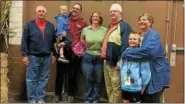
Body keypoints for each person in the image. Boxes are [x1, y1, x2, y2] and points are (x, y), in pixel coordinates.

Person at [121, 13, 170, 103]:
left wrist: (127, 53)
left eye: (144, 19)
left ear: (150, 22)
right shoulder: (140, 36)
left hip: (155, 73)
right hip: (138, 80)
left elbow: (148, 52)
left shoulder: (153, 35)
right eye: (140, 20)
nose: (141, 21)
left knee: (150, 100)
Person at [21, 5, 56, 103]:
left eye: (43, 11)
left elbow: (53, 42)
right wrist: (24, 55)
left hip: (46, 57)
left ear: (46, 13)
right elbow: (24, 41)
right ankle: (32, 99)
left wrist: (53, 55)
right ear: (36, 13)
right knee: (31, 79)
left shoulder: (50, 26)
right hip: (33, 57)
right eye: (39, 11)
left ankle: (39, 98)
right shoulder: (29, 25)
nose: (41, 13)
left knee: (43, 79)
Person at [54, 3, 86, 103]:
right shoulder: (64, 19)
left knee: (72, 74)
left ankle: (71, 94)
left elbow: (84, 37)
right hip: (63, 49)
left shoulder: (83, 22)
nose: (75, 10)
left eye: (77, 9)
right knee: (60, 73)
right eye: (74, 8)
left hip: (75, 51)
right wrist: (60, 36)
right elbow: (57, 32)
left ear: (80, 11)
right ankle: (57, 94)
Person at [101, 3, 133, 103]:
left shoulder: (124, 26)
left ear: (120, 12)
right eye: (110, 11)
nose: (111, 13)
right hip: (107, 62)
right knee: (109, 88)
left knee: (117, 89)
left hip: (116, 65)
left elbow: (126, 46)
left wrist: (120, 61)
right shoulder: (111, 26)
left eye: (114, 11)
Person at [81, 11, 107, 103]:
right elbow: (82, 43)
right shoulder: (85, 30)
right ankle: (88, 99)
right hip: (88, 56)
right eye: (94, 16)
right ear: (91, 18)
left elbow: (106, 43)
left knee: (98, 80)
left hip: (100, 57)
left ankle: (95, 99)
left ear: (100, 19)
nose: (95, 18)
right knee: (88, 79)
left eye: (97, 16)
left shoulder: (104, 30)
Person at [119, 32, 151, 103]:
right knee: (125, 101)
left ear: (139, 41)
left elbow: (146, 72)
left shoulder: (142, 54)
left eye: (134, 39)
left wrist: (143, 86)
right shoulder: (125, 52)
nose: (132, 40)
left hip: (136, 87)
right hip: (125, 85)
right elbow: (121, 66)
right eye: (130, 39)